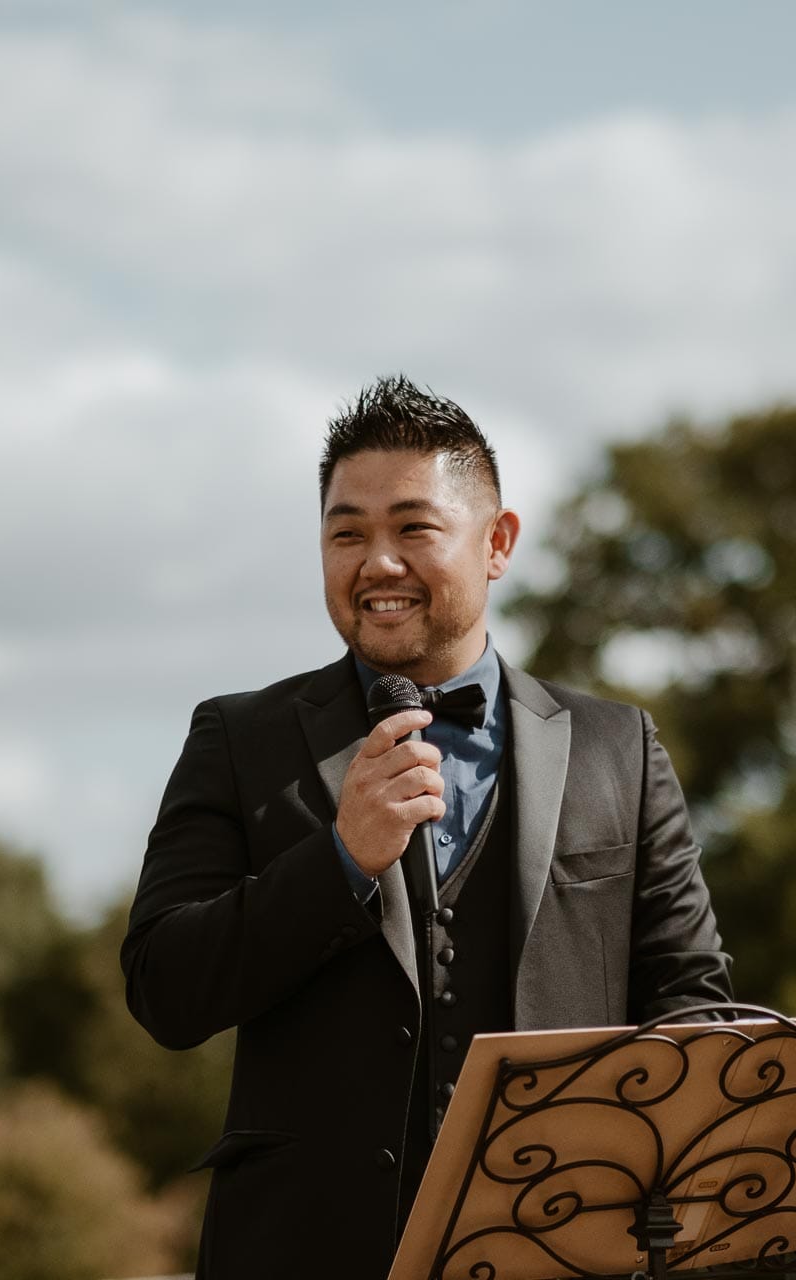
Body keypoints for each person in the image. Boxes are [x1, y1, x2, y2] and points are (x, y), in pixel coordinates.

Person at [121, 375, 732, 1279]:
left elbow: (691, 1000)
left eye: (413, 527)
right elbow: (164, 988)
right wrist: (341, 861)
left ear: (498, 543)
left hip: (559, 1249)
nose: (377, 562)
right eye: (346, 533)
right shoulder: (237, 737)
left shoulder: (620, 748)